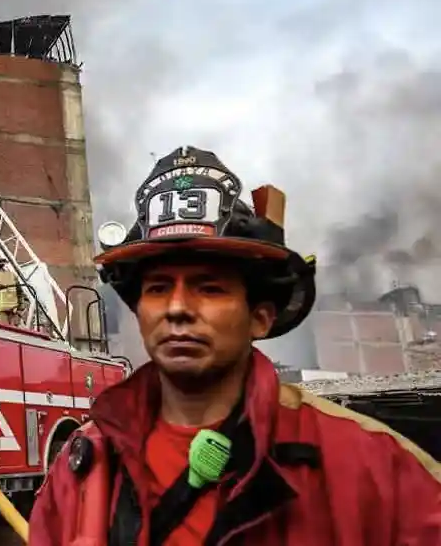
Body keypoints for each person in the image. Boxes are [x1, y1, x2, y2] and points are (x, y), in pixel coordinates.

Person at [28, 146, 441, 546]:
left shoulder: (370, 465)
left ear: (260, 318)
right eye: (157, 288)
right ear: (138, 312)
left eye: (209, 288)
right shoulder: (82, 466)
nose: (177, 308)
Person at [0, 255, 24, 326]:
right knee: (13, 332)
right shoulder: (12, 275)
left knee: (4, 330)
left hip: (2, 309)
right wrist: (20, 309)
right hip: (14, 309)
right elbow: (20, 292)